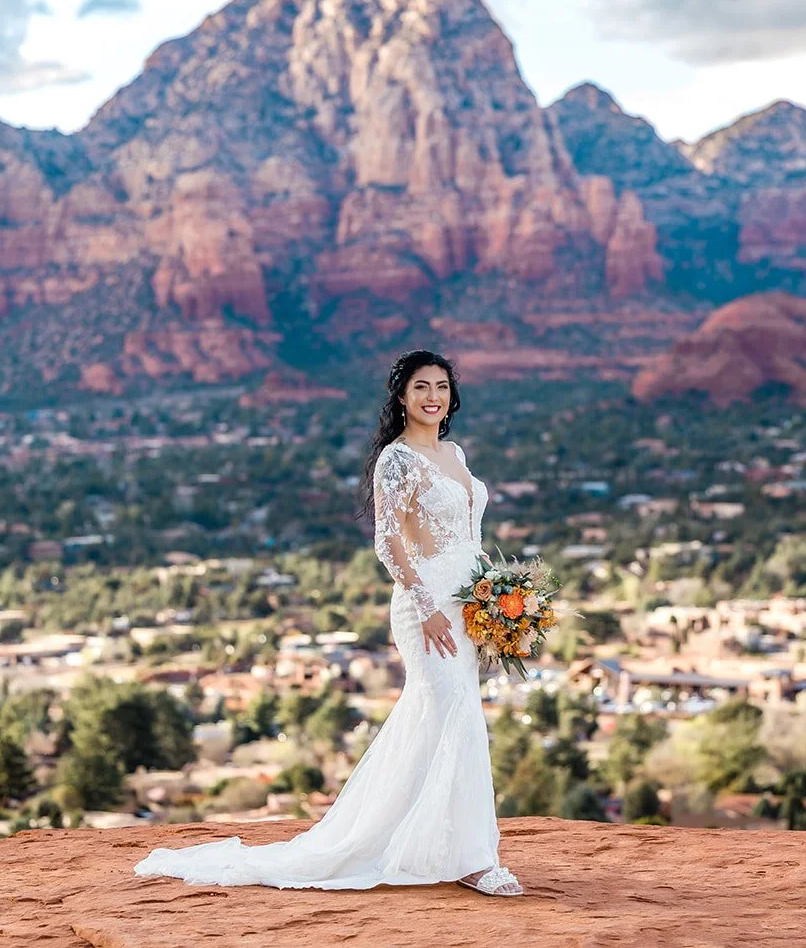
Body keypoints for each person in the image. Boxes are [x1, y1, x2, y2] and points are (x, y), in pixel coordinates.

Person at [132, 349, 522, 896]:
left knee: (450, 715)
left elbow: (472, 539)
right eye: (420, 388)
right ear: (402, 398)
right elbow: (388, 541)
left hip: (466, 601)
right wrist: (427, 603)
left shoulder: (454, 453)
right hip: (426, 603)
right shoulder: (398, 458)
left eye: (440, 386)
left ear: (451, 396)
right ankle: (470, 859)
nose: (432, 396)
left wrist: (493, 601)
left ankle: (435, 843)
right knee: (451, 710)